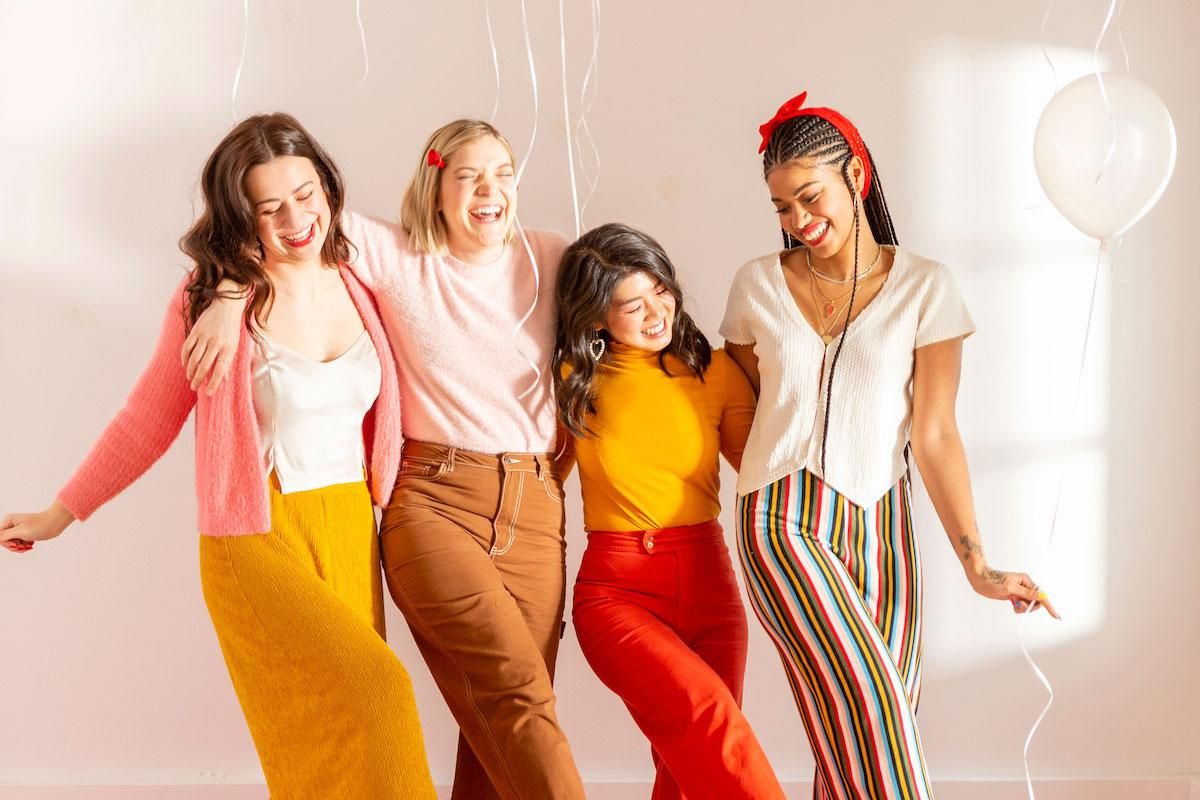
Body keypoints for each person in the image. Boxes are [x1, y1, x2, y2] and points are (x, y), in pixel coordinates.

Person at [0, 113, 436, 799]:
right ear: (242, 217)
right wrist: (59, 514)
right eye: (269, 208)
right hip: (255, 536)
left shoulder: (361, 278)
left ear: (327, 185)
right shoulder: (208, 298)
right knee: (379, 692)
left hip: (351, 527)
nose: (296, 219)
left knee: (332, 732)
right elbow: (148, 417)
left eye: (305, 194)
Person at [183, 119, 585, 800]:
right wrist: (224, 294)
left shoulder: (552, 255)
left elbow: (626, 322)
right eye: (467, 176)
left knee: (508, 713)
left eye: (502, 174)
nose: (489, 191)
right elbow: (280, 227)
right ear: (435, 188)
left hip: (537, 502)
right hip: (435, 496)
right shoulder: (390, 253)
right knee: (515, 695)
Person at [721, 92, 1060, 800]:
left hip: (885, 526)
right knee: (872, 710)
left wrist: (977, 564)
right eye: (781, 207)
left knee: (858, 739)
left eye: (809, 197)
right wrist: (763, 482)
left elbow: (935, 433)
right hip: (781, 520)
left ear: (856, 175)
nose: (798, 221)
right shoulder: (757, 285)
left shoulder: (926, 288)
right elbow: (743, 409)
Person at [553, 223, 786, 800]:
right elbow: (539, 484)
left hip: (711, 590)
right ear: (596, 318)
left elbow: (763, 471)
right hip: (617, 594)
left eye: (660, 290)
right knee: (714, 723)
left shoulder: (716, 372)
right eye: (632, 305)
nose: (656, 312)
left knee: (686, 769)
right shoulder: (572, 382)